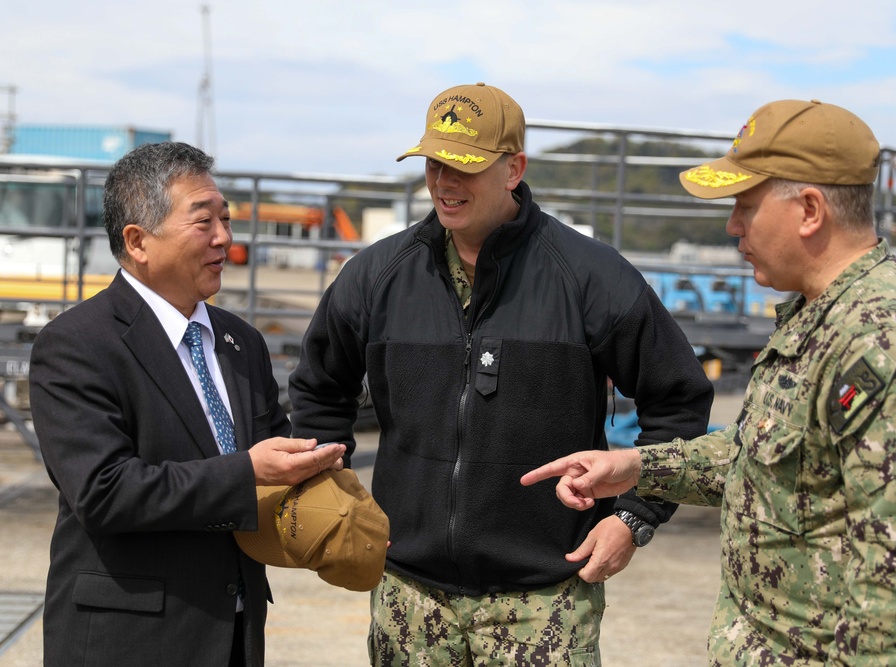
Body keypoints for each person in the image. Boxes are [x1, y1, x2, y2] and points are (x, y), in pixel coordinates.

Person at [522, 99, 896, 665]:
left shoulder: (884, 343)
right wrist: (639, 468)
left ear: (810, 209)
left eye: (746, 204)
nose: (733, 225)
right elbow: (765, 460)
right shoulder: (820, 317)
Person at [289, 82, 714, 664]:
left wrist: (634, 517)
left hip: (544, 605)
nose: (443, 183)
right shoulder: (375, 276)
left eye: (464, 166)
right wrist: (332, 501)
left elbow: (679, 403)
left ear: (514, 169)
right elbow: (318, 390)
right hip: (409, 600)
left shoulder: (591, 278)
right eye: (435, 163)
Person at [28, 141, 346, 667]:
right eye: (204, 222)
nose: (225, 237)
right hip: (128, 639)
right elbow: (104, 493)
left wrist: (320, 482)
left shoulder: (240, 340)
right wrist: (246, 473)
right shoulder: (77, 344)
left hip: (234, 634)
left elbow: (274, 454)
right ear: (138, 242)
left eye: (226, 218)